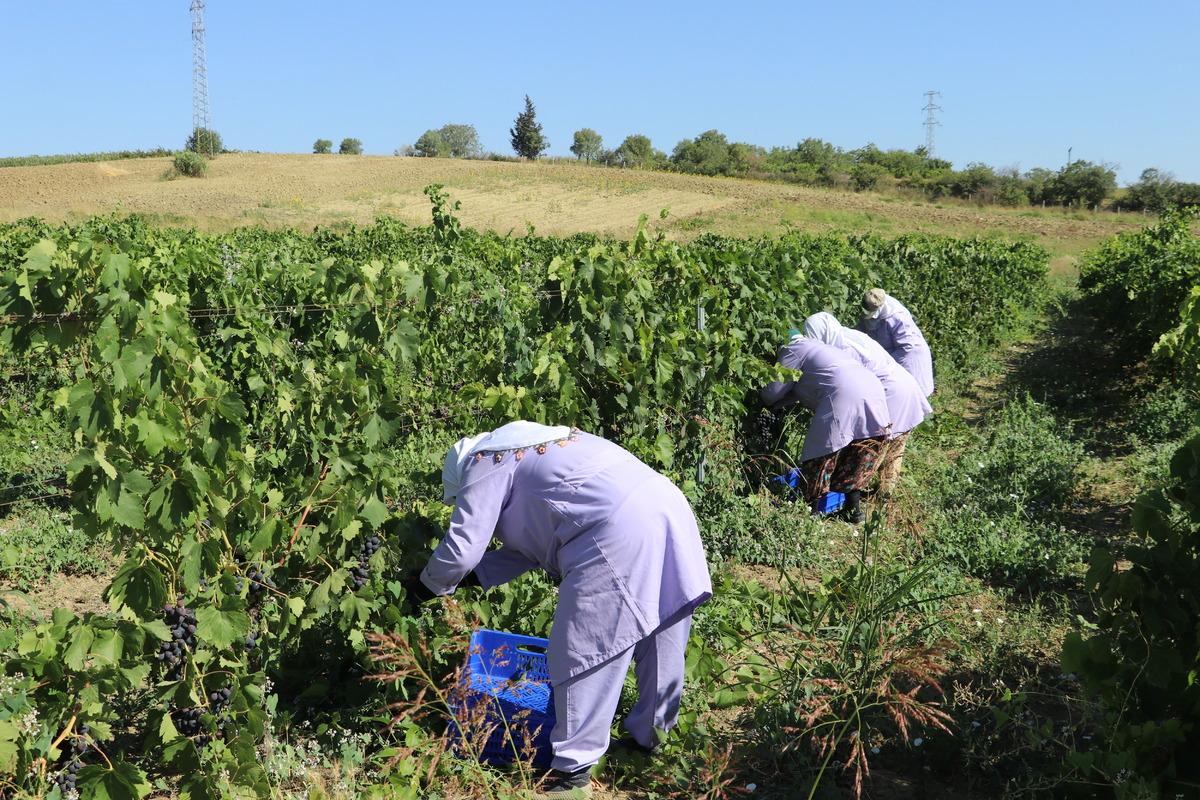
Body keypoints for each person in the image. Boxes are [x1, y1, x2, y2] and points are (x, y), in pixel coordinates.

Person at [412, 421, 713, 796]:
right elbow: (528, 546)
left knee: (583, 648)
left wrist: (426, 586)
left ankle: (573, 769)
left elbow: (463, 547)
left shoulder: (484, 461)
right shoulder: (543, 442)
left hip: (612, 530)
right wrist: (476, 577)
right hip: (666, 504)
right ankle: (650, 738)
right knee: (663, 628)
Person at [761, 333, 891, 522]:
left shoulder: (793, 349)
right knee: (859, 453)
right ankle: (853, 511)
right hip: (875, 393)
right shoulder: (825, 350)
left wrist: (761, 400)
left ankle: (809, 513)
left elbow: (772, 392)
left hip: (844, 397)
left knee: (820, 456)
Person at [804, 312, 932, 495]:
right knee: (892, 449)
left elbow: (855, 387)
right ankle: (881, 498)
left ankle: (864, 501)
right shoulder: (848, 335)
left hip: (891, 394)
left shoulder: (842, 349)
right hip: (902, 386)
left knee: (871, 449)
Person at [858, 289, 935, 397]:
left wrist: (885, 363)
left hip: (910, 361)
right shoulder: (873, 312)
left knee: (910, 397)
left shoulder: (897, 317)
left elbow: (909, 347)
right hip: (893, 361)